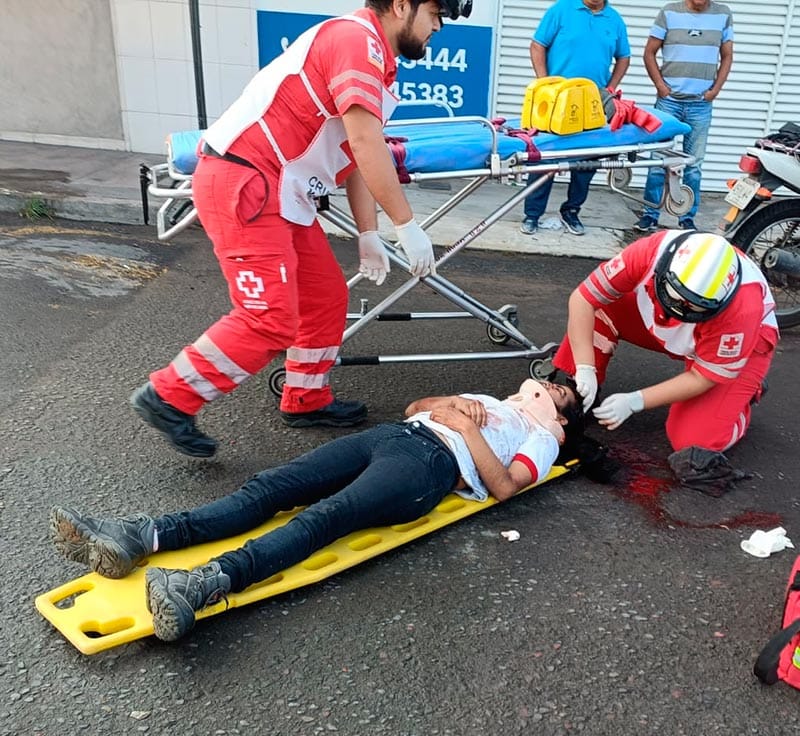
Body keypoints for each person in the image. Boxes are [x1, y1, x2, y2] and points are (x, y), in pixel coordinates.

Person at [130, 1, 473, 459]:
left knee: (326, 296)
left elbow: (353, 156)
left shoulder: (377, 60)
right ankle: (168, 397)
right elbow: (367, 144)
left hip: (280, 189)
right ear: (401, 6)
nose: (438, 27)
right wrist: (406, 224)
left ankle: (306, 398)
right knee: (269, 319)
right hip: (247, 181)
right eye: (435, 13)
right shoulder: (358, 42)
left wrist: (368, 233)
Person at [51, 378, 583, 641]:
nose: (548, 388)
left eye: (560, 393)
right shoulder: (490, 400)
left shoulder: (542, 436)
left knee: (324, 516)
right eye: (550, 383)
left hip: (431, 467)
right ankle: (139, 538)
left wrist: (465, 429)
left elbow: (506, 487)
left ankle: (203, 585)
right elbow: (413, 410)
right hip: (396, 434)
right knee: (269, 488)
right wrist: (446, 407)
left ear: (560, 418)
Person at [553, 229, 778, 495]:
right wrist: (585, 368)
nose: (680, 309)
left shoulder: (742, 310)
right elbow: (584, 299)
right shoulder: (649, 252)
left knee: (693, 441)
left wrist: (636, 400)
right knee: (601, 306)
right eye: (676, 297)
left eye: (690, 306)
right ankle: (584, 393)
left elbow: (703, 376)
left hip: (732, 348)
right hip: (665, 321)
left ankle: (742, 395)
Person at [520, 0, 630, 237]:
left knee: (586, 163)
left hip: (592, 101)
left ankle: (571, 211)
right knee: (545, 158)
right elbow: (537, 45)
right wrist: (543, 83)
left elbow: (624, 57)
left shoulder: (614, 19)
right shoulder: (561, 10)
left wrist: (610, 88)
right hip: (557, 99)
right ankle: (532, 215)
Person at [635, 0, 734, 233]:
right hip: (669, 102)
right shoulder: (669, 12)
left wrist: (715, 90)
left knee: (694, 165)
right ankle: (650, 214)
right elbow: (649, 52)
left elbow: (727, 55)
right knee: (658, 162)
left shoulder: (723, 14)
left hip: (701, 104)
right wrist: (660, 86)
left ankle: (687, 217)